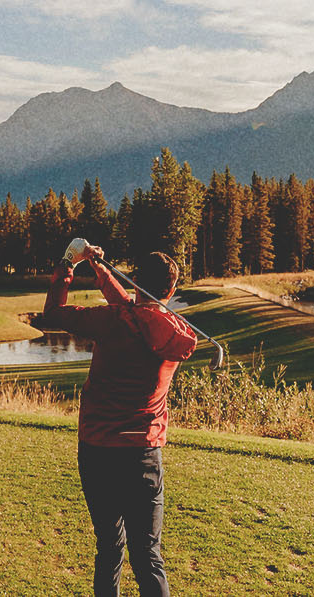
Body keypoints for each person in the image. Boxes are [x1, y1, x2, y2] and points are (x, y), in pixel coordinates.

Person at [38, 244, 196, 597]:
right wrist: (100, 269)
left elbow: (55, 311)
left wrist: (69, 262)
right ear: (170, 292)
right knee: (147, 555)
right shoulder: (177, 335)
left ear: (136, 281)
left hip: (97, 451)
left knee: (110, 548)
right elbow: (136, 311)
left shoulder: (111, 320)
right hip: (143, 454)